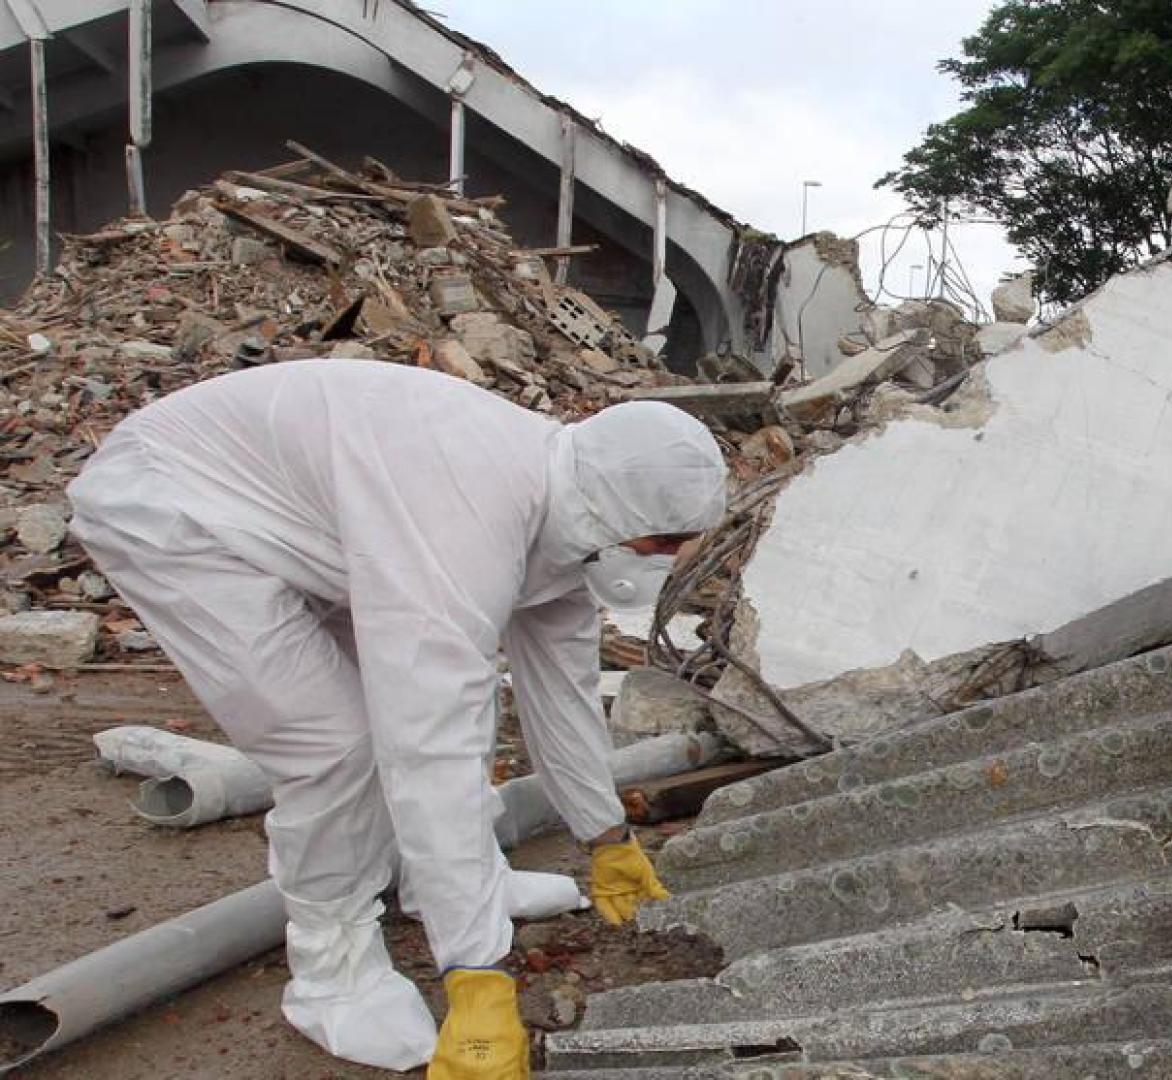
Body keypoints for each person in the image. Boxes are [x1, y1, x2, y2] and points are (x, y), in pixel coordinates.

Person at [67, 361, 728, 1079]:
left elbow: (562, 694)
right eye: (665, 544)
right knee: (334, 743)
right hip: (175, 505)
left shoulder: (565, 513)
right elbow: (429, 744)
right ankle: (332, 973)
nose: (671, 560)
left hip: (304, 510)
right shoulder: (468, 516)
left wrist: (607, 835)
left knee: (454, 695)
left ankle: (437, 882)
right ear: (615, 518)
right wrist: (476, 971)